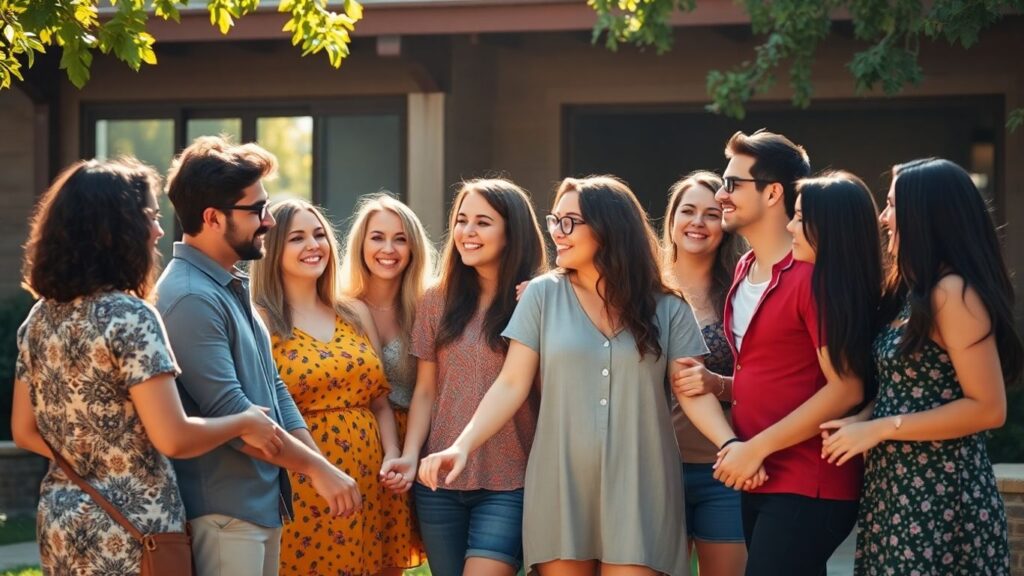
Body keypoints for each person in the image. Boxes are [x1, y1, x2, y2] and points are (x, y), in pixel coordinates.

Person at [419, 175, 715, 576]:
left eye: (570, 222)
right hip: (559, 485)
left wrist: (732, 445)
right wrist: (462, 445)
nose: (557, 232)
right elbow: (510, 383)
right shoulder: (541, 295)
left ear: (609, 227)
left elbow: (693, 392)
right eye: (554, 220)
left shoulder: (668, 308)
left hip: (640, 484)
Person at [11, 158, 281, 575]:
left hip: (62, 520)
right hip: (135, 527)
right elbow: (174, 437)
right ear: (114, 230)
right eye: (150, 218)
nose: (158, 230)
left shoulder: (38, 321)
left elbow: (24, 430)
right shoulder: (132, 316)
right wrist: (244, 422)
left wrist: (93, 460)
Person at [156, 136, 361, 576]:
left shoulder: (229, 283)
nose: (269, 221)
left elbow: (273, 388)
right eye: (257, 210)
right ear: (212, 218)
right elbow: (234, 414)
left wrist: (318, 467)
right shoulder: (189, 297)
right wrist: (319, 472)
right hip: (223, 514)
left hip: (257, 506)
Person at [820, 158, 1021, 575]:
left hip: (942, 500)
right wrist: (863, 418)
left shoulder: (954, 293)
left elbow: (988, 408)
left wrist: (877, 429)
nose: (883, 216)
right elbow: (909, 388)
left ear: (925, 214)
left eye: (893, 205)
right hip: (896, 494)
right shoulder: (912, 292)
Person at [677, 130, 864, 576]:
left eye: (732, 184)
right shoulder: (743, 269)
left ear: (773, 192)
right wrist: (720, 385)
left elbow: (847, 385)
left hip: (807, 479)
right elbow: (780, 372)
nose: (722, 194)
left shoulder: (810, 274)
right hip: (756, 475)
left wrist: (755, 448)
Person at [382, 178, 546, 576]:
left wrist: (543, 299)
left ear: (512, 231)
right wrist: (409, 455)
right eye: (462, 220)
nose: (467, 233)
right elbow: (425, 391)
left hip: (511, 480)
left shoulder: (541, 298)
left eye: (483, 223)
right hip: (438, 482)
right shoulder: (436, 299)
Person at [250, 199, 416, 576]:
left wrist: (392, 454)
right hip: (306, 482)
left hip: (373, 481)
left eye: (319, 234)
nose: (313, 245)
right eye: (297, 238)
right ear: (274, 249)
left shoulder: (353, 312)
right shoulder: (260, 320)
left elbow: (380, 402)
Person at [340, 193, 435, 568]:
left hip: (417, 447)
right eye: (377, 237)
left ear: (413, 247)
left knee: (391, 563)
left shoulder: (429, 304)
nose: (389, 249)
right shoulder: (338, 306)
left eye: (400, 239)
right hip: (358, 448)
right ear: (361, 243)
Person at [662, 171, 747, 576]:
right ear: (672, 221)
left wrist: (721, 385)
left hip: (724, 468)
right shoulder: (640, 290)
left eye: (711, 214)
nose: (698, 222)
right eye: (688, 211)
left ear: (725, 225)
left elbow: (770, 378)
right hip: (653, 470)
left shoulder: (742, 293)